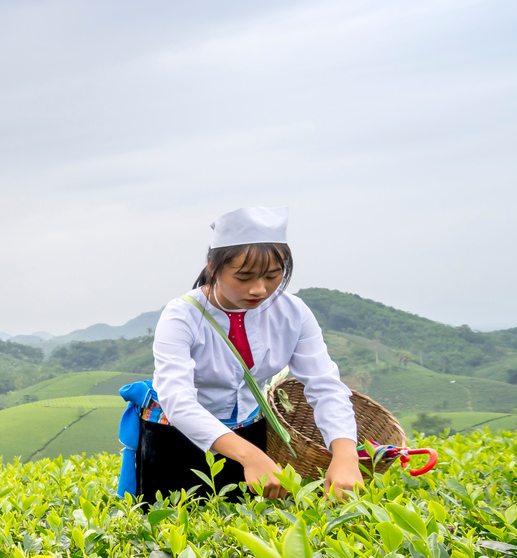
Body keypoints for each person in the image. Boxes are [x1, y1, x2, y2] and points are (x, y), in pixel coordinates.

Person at [122, 206, 361, 502]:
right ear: (213, 266)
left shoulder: (292, 312)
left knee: (247, 521)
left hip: (251, 433)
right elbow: (178, 401)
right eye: (244, 277)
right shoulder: (182, 316)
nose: (259, 289)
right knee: (174, 522)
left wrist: (345, 454)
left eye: (273, 275)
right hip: (176, 439)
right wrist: (250, 457)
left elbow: (325, 385)